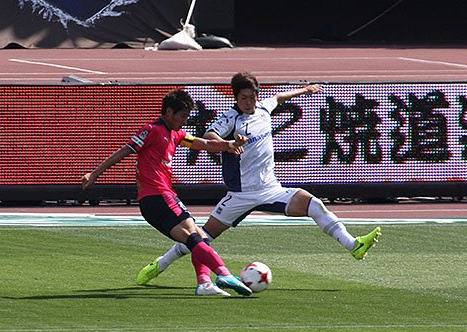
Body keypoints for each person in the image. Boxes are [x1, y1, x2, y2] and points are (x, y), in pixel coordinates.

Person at [136, 71, 382, 294]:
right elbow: (210, 135)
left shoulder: (264, 108)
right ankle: (161, 264)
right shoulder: (231, 118)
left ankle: (353, 245)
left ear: (257, 95)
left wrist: (304, 90)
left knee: (314, 204)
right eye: (243, 98)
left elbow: (279, 98)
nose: (248, 102)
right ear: (236, 98)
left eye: (252, 96)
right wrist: (230, 144)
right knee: (201, 237)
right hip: (240, 195)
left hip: (271, 189)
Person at [81, 88, 253, 297]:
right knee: (194, 236)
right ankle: (223, 274)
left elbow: (206, 144)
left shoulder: (177, 134)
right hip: (159, 196)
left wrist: (230, 144)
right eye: (182, 116)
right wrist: (95, 173)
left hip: (153, 202)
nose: (185, 121)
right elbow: (125, 150)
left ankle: (205, 284)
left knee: (197, 238)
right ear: (169, 112)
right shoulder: (152, 130)